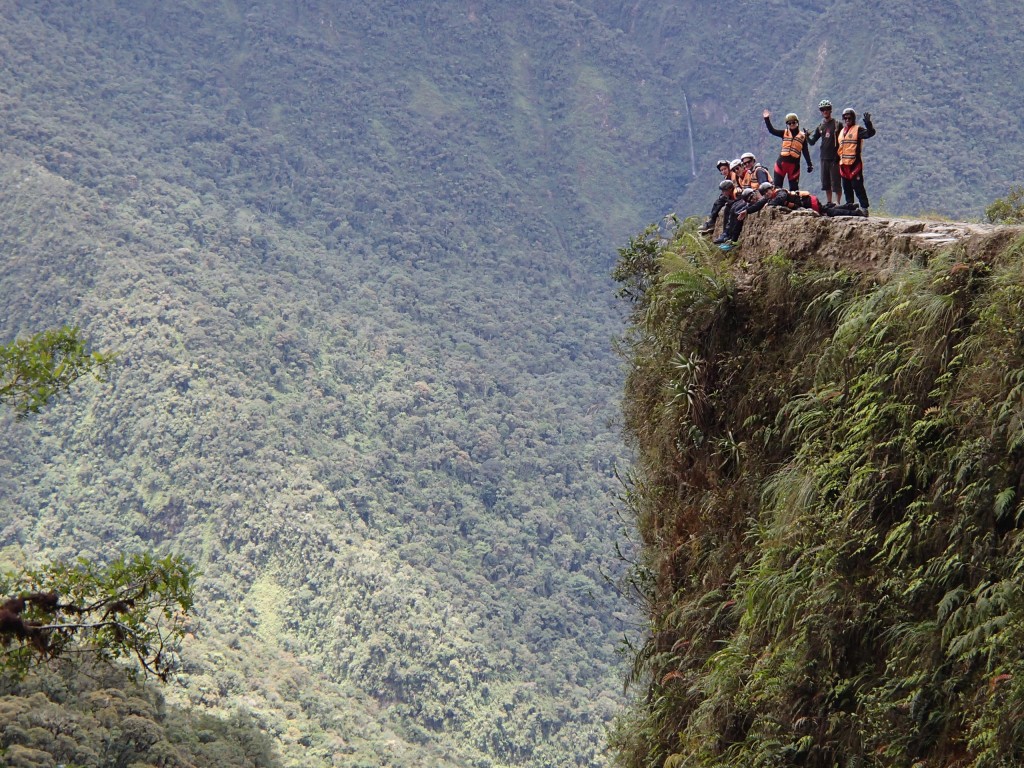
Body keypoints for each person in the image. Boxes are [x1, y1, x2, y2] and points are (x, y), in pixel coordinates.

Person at [838, 108, 876, 214]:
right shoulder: (841, 132)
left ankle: (864, 208)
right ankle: (850, 207)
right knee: (847, 188)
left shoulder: (857, 130)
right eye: (845, 117)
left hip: (855, 165)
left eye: (849, 117)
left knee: (858, 187)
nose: (847, 119)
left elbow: (870, 133)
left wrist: (868, 123)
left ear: (853, 118)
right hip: (843, 165)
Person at [763, 109, 813, 191]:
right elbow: (772, 130)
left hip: (794, 166)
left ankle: (793, 203)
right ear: (787, 125)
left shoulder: (802, 136)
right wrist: (766, 118)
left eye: (794, 122)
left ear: (797, 123)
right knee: (777, 188)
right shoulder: (784, 133)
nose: (792, 124)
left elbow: (805, 151)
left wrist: (809, 164)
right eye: (789, 123)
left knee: (794, 190)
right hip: (781, 164)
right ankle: (776, 202)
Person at [807, 99, 842, 205]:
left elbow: (843, 140)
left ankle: (838, 202)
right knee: (826, 182)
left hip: (835, 157)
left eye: (827, 109)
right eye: (823, 109)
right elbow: (812, 142)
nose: (825, 111)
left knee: (836, 181)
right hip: (824, 157)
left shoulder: (837, 124)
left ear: (830, 110)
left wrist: (839, 154)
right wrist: (807, 137)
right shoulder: (820, 126)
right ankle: (829, 202)